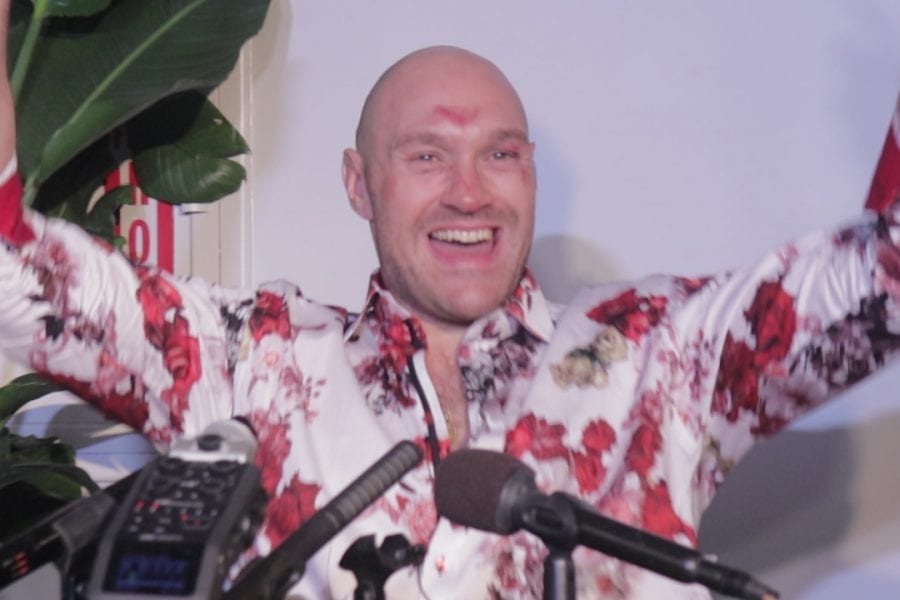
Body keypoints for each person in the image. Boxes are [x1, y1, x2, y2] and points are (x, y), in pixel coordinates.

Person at [2, 6, 900, 599]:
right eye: (427, 156)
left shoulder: (659, 350)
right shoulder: (253, 355)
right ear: (360, 184)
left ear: (530, 174)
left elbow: (875, 283)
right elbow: (17, 271)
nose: (470, 194)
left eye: (501, 155)